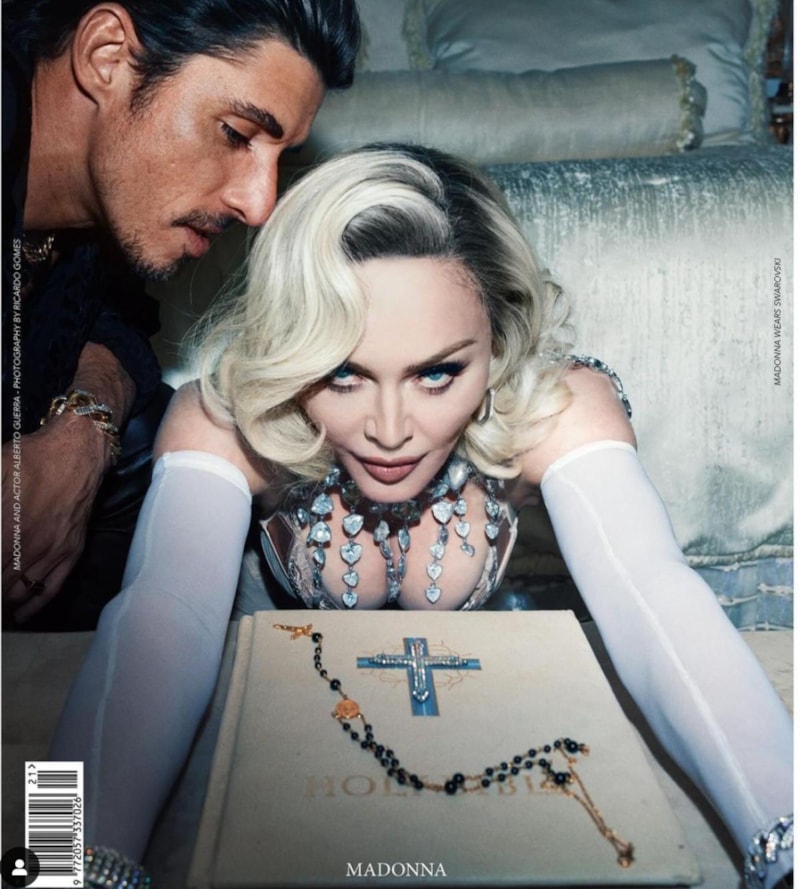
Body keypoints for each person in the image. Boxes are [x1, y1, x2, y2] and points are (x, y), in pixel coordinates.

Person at [50, 144, 793, 888]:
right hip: (286, 756)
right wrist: (59, 864)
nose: (390, 429)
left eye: (438, 372)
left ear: (498, 340)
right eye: (342, 372)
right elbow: (161, 613)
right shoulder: (229, 415)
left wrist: (786, 838)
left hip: (489, 750)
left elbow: (652, 592)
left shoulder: (556, 404)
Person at [1, 0, 361, 628]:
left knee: (150, 428)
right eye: (236, 134)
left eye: (280, 156)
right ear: (106, 55)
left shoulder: (103, 203)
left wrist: (82, 435)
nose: (259, 204)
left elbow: (117, 319)